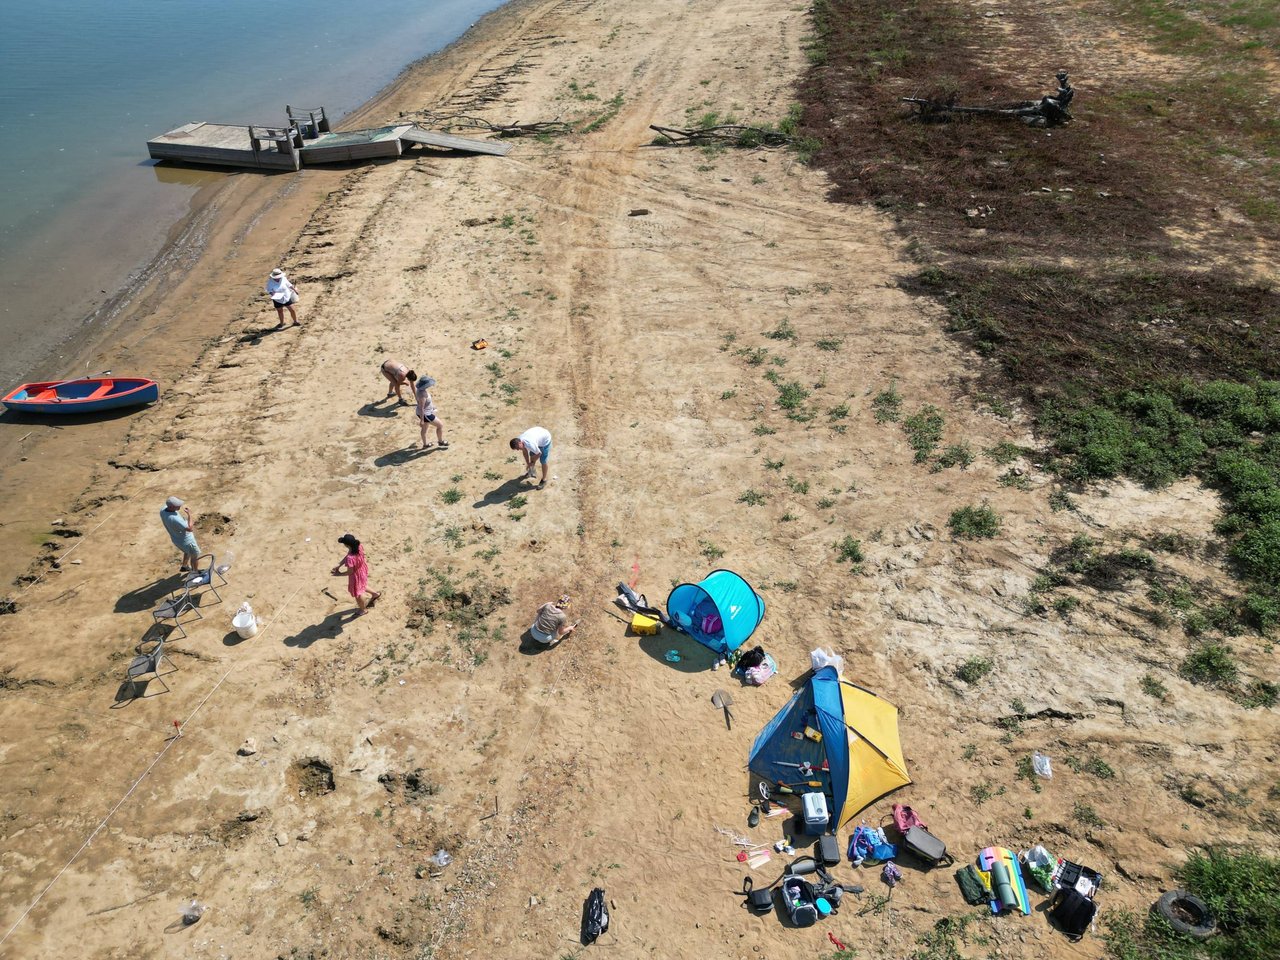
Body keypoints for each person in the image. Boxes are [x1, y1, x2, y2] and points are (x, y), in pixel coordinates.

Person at [332, 533, 382, 616]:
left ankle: (363, 610)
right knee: (362, 585)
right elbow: (349, 554)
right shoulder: (358, 546)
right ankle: (375, 594)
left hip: (355, 576)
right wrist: (339, 564)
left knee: (358, 594)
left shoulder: (350, 558)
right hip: (362, 570)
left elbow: (350, 572)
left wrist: (339, 574)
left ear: (346, 545)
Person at [160, 496, 201, 572]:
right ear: (171, 507)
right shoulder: (174, 519)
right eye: (177, 505)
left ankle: (184, 566)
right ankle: (195, 572)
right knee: (194, 555)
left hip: (177, 539)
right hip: (187, 541)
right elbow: (190, 528)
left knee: (187, 551)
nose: (180, 506)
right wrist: (189, 515)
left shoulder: (163, 510)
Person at [415, 376, 448, 449]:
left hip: (425, 413)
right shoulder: (422, 395)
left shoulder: (419, 390)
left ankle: (425, 444)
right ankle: (440, 442)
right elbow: (422, 408)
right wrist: (422, 420)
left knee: (424, 429)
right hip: (426, 414)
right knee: (440, 425)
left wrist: (432, 407)